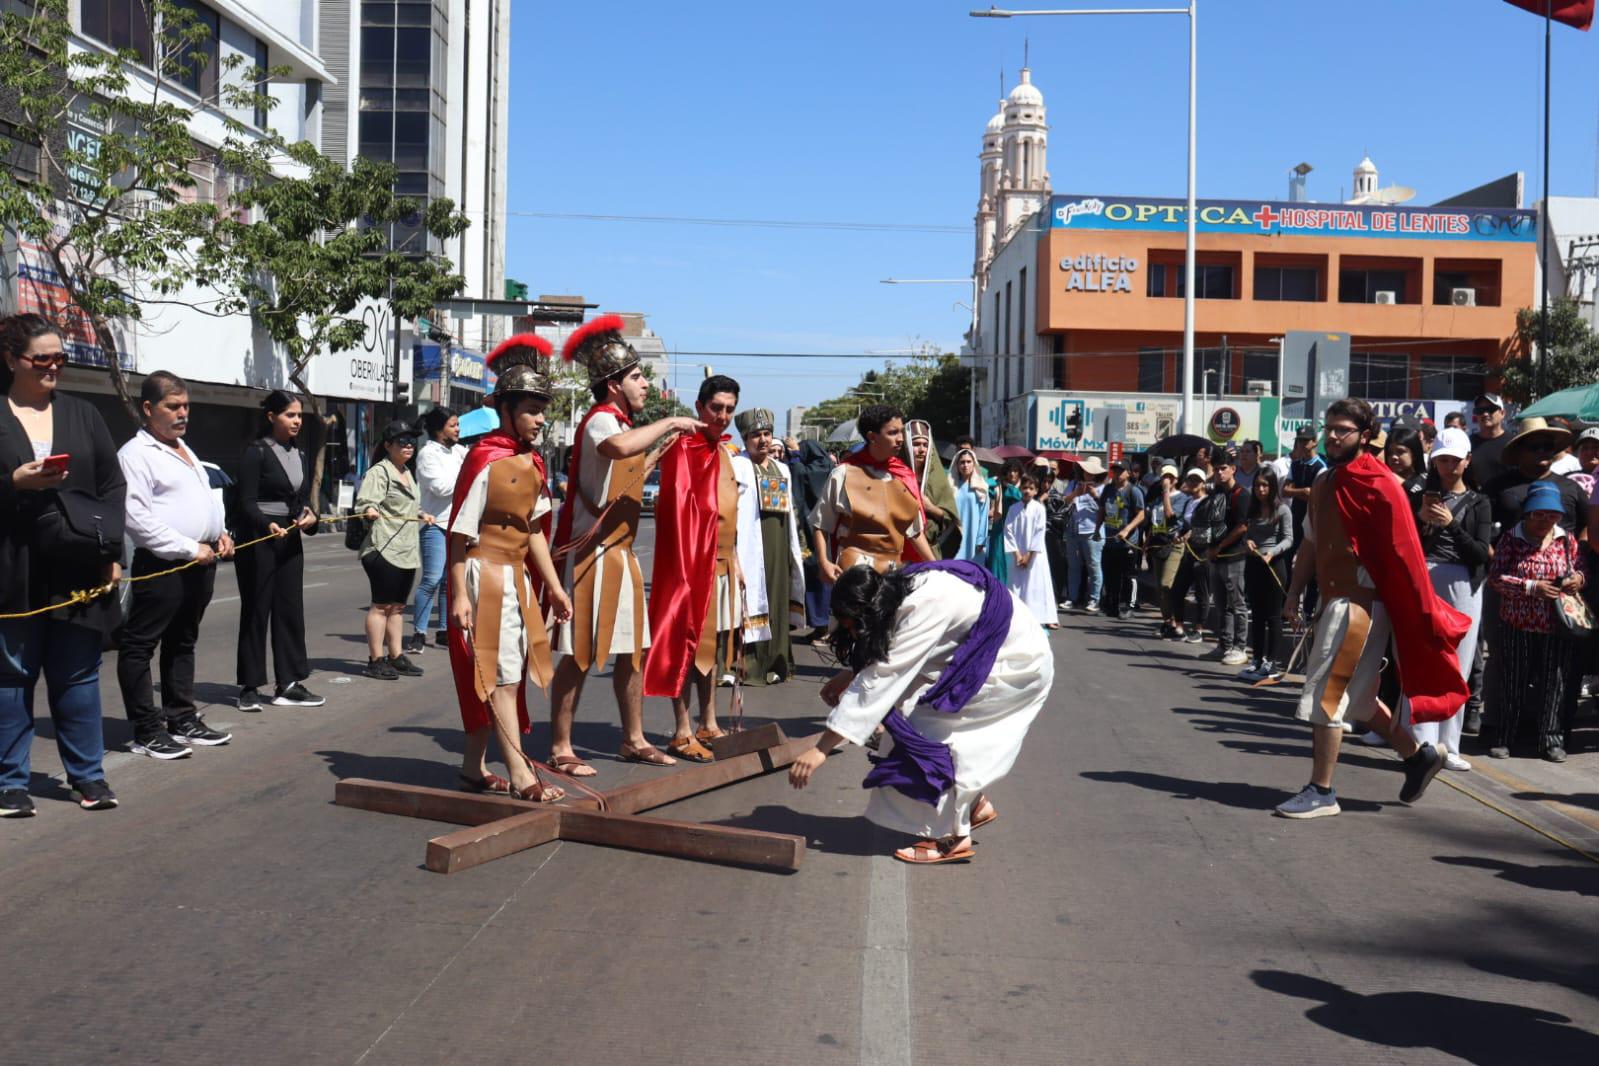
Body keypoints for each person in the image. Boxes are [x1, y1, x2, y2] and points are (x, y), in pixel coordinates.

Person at [1273, 398, 1468, 819]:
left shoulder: (1382, 484)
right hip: (1334, 601)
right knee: (1359, 701)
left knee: (1327, 695)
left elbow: (1405, 556)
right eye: (1329, 427)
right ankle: (1417, 757)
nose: (1332, 435)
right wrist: (1294, 591)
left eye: (1342, 429)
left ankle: (1321, 791)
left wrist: (1416, 613)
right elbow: (1310, 540)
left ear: (1364, 435)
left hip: (1358, 607)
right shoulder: (1325, 481)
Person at [787, 561, 1052, 864]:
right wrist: (850, 674)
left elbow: (880, 678)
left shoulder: (922, 607)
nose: (851, 631)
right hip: (1001, 650)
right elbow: (887, 654)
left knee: (929, 738)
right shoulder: (900, 586)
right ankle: (974, 806)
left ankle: (953, 836)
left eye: (852, 623)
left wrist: (821, 749)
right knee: (915, 726)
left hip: (1016, 665)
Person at [548, 316, 702, 774]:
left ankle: (633, 739)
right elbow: (616, 450)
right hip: (592, 555)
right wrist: (670, 420)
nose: (643, 384)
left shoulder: (619, 421)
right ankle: (560, 746)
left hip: (621, 553)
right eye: (636, 377)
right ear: (613, 385)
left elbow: (627, 474)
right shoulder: (601, 420)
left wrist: (660, 450)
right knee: (579, 653)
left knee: (632, 653)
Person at [0, 314, 125, 815]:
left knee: (78, 676)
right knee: (11, 677)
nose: (54, 366)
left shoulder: (83, 413)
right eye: (42, 358)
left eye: (60, 358)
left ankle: (89, 778)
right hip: (12, 565)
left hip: (76, 563)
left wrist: (111, 552)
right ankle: (10, 782)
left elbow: (112, 487)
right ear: (12, 359)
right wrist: (13, 482)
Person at [447, 334, 572, 802]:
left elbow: (535, 531)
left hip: (516, 578)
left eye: (543, 410)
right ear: (506, 410)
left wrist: (556, 590)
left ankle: (472, 769)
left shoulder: (532, 462)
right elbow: (458, 534)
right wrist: (460, 594)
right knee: (500, 672)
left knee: (503, 669)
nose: (540, 419)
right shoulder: (484, 460)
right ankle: (520, 774)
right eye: (532, 410)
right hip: (484, 576)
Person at [117, 371, 234, 760]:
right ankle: (146, 729)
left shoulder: (185, 449)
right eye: (173, 406)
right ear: (148, 409)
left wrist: (220, 532)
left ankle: (181, 718)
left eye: (186, 406)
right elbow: (137, 519)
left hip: (202, 560)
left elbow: (205, 500)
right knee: (139, 645)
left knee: (183, 641)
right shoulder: (136, 455)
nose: (183, 413)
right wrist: (187, 547)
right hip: (164, 563)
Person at [644, 375, 747, 764]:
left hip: (720, 565)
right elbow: (676, 512)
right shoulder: (681, 447)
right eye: (716, 408)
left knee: (713, 649)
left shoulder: (722, 452)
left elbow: (725, 515)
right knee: (684, 647)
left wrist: (733, 560)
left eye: (729, 410)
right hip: (690, 566)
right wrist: (689, 569)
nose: (722, 416)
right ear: (699, 407)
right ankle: (682, 728)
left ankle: (708, 721)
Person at [1398, 427, 1491, 772]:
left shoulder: (1480, 501)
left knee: (1459, 665)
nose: (1448, 466)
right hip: (1424, 579)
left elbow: (1480, 552)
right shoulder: (1420, 495)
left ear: (1467, 461)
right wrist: (1419, 522)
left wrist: (1451, 524)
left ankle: (1449, 745)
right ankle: (1420, 742)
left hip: (1463, 584)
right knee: (1422, 660)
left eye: (1454, 459)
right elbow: (1404, 547)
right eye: (1442, 460)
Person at [1485, 481, 1587, 763]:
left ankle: (1551, 741)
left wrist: (1578, 579)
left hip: (1556, 626)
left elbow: (1580, 568)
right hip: (1517, 624)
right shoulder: (1511, 538)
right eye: (1539, 514)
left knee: (1555, 686)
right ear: (1528, 513)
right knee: (1513, 682)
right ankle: (1504, 738)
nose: (1545, 521)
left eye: (1551, 516)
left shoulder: (1566, 539)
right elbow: (1496, 578)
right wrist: (1532, 587)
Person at [234, 390, 322, 711]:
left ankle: (289, 683)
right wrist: (265, 524)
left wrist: (312, 518)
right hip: (259, 539)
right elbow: (244, 502)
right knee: (257, 611)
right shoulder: (255, 452)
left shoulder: (299, 453)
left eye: (299, 415)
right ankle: (249, 686)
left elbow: (302, 504)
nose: (297, 420)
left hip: (290, 539)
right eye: (290, 415)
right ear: (271, 417)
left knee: (289, 611)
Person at [809, 403, 933, 582]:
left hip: (893, 574)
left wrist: (936, 565)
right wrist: (824, 562)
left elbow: (914, 531)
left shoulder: (903, 476)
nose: (900, 439)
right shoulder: (843, 474)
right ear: (872, 437)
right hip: (854, 573)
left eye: (901, 432)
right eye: (892, 433)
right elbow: (820, 524)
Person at [355, 420, 435, 680]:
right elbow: (365, 503)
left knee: (398, 607)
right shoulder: (380, 471)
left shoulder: (406, 471)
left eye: (412, 440)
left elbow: (406, 508)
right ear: (388, 445)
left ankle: (396, 656)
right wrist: (369, 510)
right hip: (383, 547)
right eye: (402, 441)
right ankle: (375, 660)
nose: (409, 445)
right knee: (380, 606)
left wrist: (422, 513)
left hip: (407, 550)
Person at [737, 407, 807, 686]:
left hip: (778, 542)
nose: (763, 440)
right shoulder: (736, 467)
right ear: (745, 438)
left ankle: (776, 661)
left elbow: (790, 511)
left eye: (767, 434)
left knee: (776, 599)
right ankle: (747, 665)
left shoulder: (783, 470)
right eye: (756, 435)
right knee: (749, 600)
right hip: (748, 543)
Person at [410, 406, 465, 653]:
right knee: (431, 580)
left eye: (457, 425)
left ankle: (444, 631)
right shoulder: (427, 454)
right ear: (438, 429)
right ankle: (418, 633)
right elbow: (441, 488)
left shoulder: (459, 452)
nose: (457, 429)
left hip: (458, 525)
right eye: (453, 425)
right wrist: (466, 474)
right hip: (435, 524)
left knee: (448, 583)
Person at [1484, 417, 1588, 536]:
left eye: (1548, 446)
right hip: (1509, 552)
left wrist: (1582, 545)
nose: (1542, 450)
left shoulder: (1571, 487)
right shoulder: (1497, 486)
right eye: (1535, 446)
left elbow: (1591, 522)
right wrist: (1495, 554)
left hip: (1565, 552)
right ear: (1520, 451)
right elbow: (1479, 527)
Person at [1239, 467, 1294, 682]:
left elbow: (1288, 539)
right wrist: (1247, 543)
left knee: (1273, 615)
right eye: (1257, 485)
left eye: (1265, 485)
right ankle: (1257, 659)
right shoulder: (1252, 511)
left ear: (1272, 487)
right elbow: (1246, 537)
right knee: (1258, 616)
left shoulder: (1282, 510)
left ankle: (1272, 662)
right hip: (1253, 564)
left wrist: (1272, 552)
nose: (1261, 489)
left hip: (1274, 565)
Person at [1205, 451, 1251, 664]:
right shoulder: (1215, 494)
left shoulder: (1242, 494)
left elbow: (1242, 526)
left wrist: (1220, 547)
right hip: (1216, 557)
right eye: (1216, 469)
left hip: (1235, 557)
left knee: (1237, 604)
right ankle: (1224, 644)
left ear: (1233, 469)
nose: (1219, 472)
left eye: (1223, 468)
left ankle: (1240, 648)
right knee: (1221, 605)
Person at [786, 439, 836, 629]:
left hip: (809, 527)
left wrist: (796, 456)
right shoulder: (831, 467)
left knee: (813, 573)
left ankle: (818, 622)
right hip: (828, 527)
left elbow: (799, 481)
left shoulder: (805, 469)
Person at [1003, 473, 1057, 628]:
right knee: (1016, 583)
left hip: (1035, 555)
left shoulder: (1039, 508)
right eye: (1025, 487)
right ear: (1020, 488)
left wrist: (1029, 555)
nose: (1027, 491)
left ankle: (1041, 616)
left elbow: (1039, 532)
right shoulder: (1014, 508)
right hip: (1017, 554)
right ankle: (1016, 615)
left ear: (1035, 491)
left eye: (1031, 488)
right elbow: (1008, 530)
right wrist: (1017, 554)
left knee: (1036, 584)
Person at [1147, 464, 1193, 639]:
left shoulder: (1182, 498)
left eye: (1170, 477)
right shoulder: (1157, 499)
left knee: (1167, 584)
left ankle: (1176, 621)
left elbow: (1170, 516)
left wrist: (1166, 492)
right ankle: (1167, 621)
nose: (1166, 480)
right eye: (1164, 477)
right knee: (1160, 587)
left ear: (1175, 480)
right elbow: (1155, 520)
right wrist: (1148, 541)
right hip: (1158, 544)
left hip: (1174, 544)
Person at [1096, 458, 1145, 618]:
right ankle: (1112, 605)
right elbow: (1102, 510)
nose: (1117, 473)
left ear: (1128, 473)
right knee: (1111, 574)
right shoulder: (1108, 489)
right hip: (1111, 540)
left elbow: (1141, 514)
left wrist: (1127, 529)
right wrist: (1097, 529)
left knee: (1129, 575)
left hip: (1128, 542)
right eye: (1115, 470)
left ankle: (1129, 605)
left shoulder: (1133, 491)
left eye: (1120, 470)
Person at [1167, 470, 1210, 643]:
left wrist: (1191, 533)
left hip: (1203, 551)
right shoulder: (1188, 502)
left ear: (1203, 483)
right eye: (1190, 480)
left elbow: (1208, 525)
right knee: (1177, 588)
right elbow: (1184, 524)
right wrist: (1179, 534)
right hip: (1188, 550)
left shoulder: (1209, 502)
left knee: (1202, 591)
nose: (1193, 483)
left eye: (1197, 480)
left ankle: (1199, 629)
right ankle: (1179, 627)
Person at [909, 421, 961, 559]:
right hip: (902, 551)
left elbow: (951, 518)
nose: (921, 449)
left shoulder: (937, 479)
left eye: (925, 445)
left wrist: (930, 508)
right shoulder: (895, 475)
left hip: (931, 550)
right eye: (916, 444)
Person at [1063, 457, 1106, 611]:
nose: (1088, 473)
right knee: (1073, 566)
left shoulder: (1102, 488)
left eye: (1091, 471)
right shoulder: (1074, 484)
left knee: (1093, 565)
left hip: (1092, 531)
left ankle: (1094, 599)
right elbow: (1064, 501)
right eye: (1086, 470)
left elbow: (1107, 508)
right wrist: (1075, 493)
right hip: (1073, 529)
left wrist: (1094, 495)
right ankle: (1072, 598)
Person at [984, 460, 1022, 584]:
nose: (1012, 474)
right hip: (1000, 527)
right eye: (1009, 471)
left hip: (1016, 529)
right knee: (997, 558)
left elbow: (1018, 497)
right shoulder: (999, 486)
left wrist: (1007, 485)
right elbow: (986, 484)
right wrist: (997, 480)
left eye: (1015, 471)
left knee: (1012, 559)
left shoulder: (1022, 487)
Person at [1041, 461, 1073, 608]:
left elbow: (1062, 515)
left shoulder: (1056, 496)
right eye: (1044, 481)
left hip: (1052, 536)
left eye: (1049, 482)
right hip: (1035, 537)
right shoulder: (1033, 494)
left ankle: (1056, 595)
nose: (1046, 485)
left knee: (1055, 566)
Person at [950, 447, 990, 564]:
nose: (965, 465)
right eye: (962, 462)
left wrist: (981, 540)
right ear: (957, 465)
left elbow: (984, 516)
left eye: (968, 462)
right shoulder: (951, 487)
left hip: (974, 537)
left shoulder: (981, 488)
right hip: (954, 537)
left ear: (974, 464)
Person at [1468, 392, 1511, 489]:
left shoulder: (1513, 443)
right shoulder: (1467, 444)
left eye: (1491, 409)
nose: (1485, 414)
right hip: (1476, 502)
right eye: (1480, 410)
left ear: (1502, 413)